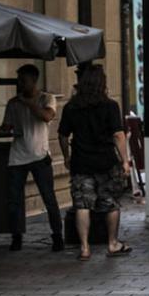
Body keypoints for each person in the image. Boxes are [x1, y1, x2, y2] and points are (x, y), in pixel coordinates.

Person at [0, 64, 62, 252]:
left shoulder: (46, 98)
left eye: (22, 80)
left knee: (49, 198)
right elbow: (7, 127)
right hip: (17, 157)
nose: (19, 84)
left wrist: (28, 103)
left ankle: (57, 236)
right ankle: (16, 237)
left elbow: (47, 116)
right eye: (19, 80)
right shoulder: (13, 103)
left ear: (33, 80)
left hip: (40, 156)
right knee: (14, 200)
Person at [57, 64, 131, 261]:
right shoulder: (110, 106)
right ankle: (113, 243)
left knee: (82, 204)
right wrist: (125, 160)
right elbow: (118, 135)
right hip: (106, 162)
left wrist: (66, 156)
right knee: (110, 203)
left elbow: (63, 135)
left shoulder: (71, 107)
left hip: (81, 161)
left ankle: (84, 247)